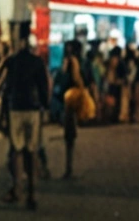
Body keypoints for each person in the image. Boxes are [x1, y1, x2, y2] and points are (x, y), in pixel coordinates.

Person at [3, 25, 50, 210]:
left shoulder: (12, 62)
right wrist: (45, 107)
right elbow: (43, 87)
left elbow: (7, 89)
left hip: (15, 108)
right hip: (33, 108)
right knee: (32, 151)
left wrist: (3, 114)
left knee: (16, 150)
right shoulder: (37, 62)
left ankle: (17, 188)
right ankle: (31, 193)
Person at [59, 39, 85, 178]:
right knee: (70, 134)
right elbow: (76, 77)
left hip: (65, 97)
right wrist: (83, 88)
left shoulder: (65, 60)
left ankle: (68, 167)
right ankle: (69, 168)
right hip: (72, 98)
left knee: (68, 134)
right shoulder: (74, 61)